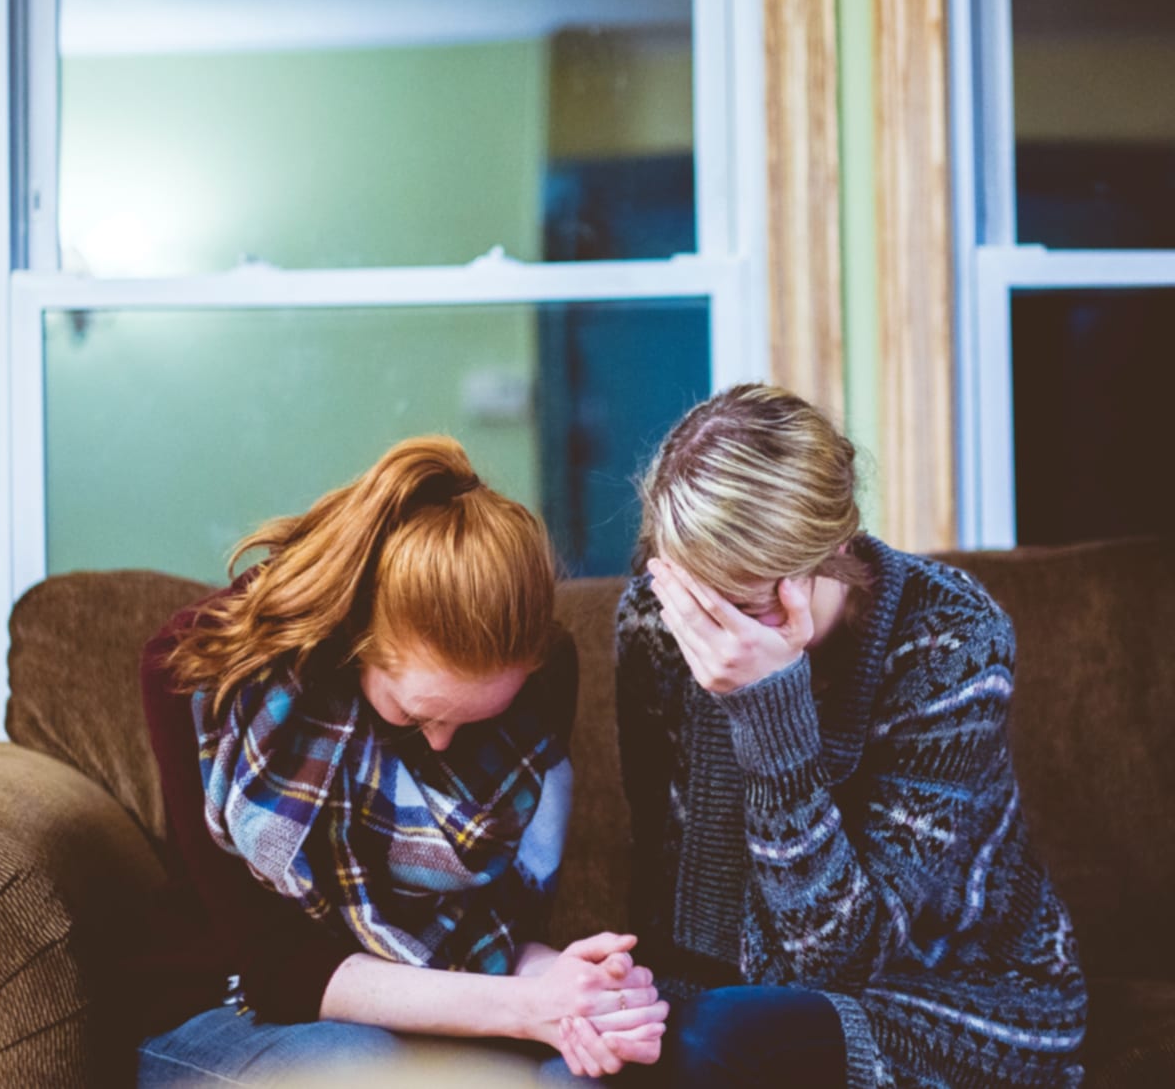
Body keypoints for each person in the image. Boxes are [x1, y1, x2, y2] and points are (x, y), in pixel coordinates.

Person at [132, 437, 668, 1085]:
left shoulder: (542, 678)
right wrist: (528, 1008)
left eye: (477, 720)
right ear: (357, 640)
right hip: (231, 1006)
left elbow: (492, 939)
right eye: (416, 716)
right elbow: (276, 968)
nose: (441, 742)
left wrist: (578, 989)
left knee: (580, 1074)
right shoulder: (201, 672)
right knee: (366, 1071)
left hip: (443, 1004)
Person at [609, 385, 1088, 1088]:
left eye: (738, 604)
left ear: (831, 548)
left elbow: (836, 962)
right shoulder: (658, 621)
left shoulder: (953, 641)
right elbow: (667, 885)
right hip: (739, 999)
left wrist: (770, 713)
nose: (703, 630)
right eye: (690, 592)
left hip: (961, 999)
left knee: (719, 1038)